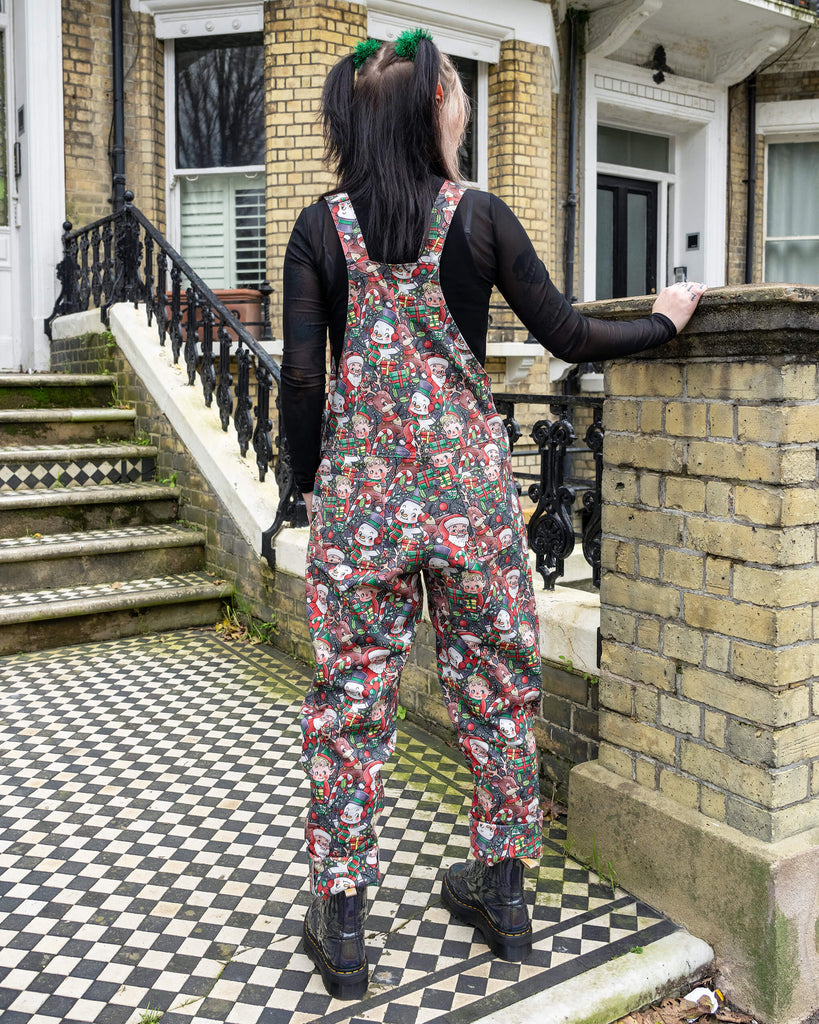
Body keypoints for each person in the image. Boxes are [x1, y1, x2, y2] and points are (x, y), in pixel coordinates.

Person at [281, 28, 705, 1002]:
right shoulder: (479, 218)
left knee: (353, 701)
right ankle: (503, 895)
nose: (461, 99)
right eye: (451, 88)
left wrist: (304, 483)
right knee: (498, 690)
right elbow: (566, 332)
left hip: (366, 507)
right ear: (434, 109)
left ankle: (343, 923)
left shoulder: (320, 230)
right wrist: (664, 321)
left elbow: (305, 376)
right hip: (471, 502)